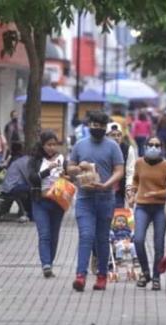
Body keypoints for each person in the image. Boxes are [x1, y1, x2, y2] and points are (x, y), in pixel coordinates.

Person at [67, 111, 124, 292]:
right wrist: (79, 168)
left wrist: (107, 184)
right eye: (93, 124)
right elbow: (69, 168)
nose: (96, 128)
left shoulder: (113, 146)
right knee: (86, 235)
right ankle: (80, 276)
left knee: (102, 238)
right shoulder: (80, 145)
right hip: (84, 198)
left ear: (105, 127)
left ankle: (101, 276)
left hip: (106, 198)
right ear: (89, 125)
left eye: (100, 125)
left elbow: (119, 170)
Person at [130, 137, 166, 291]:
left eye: (157, 145)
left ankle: (156, 277)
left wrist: (158, 193)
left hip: (160, 208)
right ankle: (145, 272)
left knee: (159, 244)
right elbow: (135, 180)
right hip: (142, 205)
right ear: (145, 146)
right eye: (151, 145)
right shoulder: (139, 163)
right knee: (138, 239)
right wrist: (132, 193)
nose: (154, 148)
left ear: (162, 148)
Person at [27, 130, 66, 278]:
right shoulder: (36, 160)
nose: (51, 148)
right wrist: (47, 171)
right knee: (44, 234)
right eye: (48, 144)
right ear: (42, 145)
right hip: (40, 201)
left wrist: (66, 175)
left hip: (58, 202)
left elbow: (69, 178)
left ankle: (50, 262)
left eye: (54, 144)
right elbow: (32, 179)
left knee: (54, 235)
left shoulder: (62, 159)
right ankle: (46, 265)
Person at [0, 144, 31, 223]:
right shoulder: (26, 161)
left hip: (7, 186)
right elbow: (29, 178)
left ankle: (26, 212)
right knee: (32, 189)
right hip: (12, 187)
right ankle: (28, 213)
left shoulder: (20, 161)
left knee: (28, 190)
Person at [107, 123, 136, 208]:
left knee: (118, 218)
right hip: (103, 191)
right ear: (107, 136)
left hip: (119, 191)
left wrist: (128, 188)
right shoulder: (101, 148)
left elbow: (130, 171)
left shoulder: (127, 149)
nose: (116, 138)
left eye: (119, 135)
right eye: (113, 135)